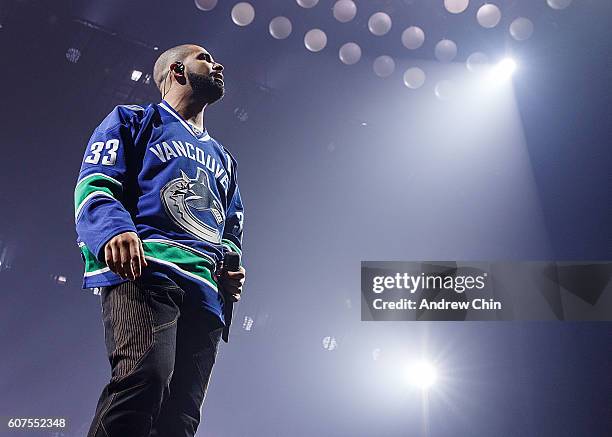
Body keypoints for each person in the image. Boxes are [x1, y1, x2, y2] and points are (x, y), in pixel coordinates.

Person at [74, 43, 246, 437]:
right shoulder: (133, 120)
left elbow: (231, 224)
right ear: (177, 70)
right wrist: (114, 229)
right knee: (144, 380)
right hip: (148, 269)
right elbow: (96, 183)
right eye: (204, 57)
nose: (216, 63)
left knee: (181, 418)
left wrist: (231, 267)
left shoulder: (224, 158)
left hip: (205, 291)